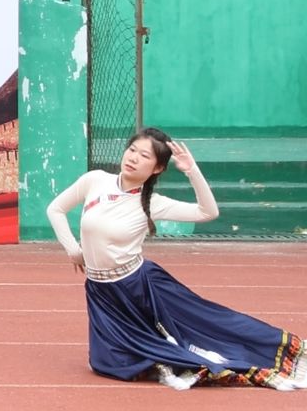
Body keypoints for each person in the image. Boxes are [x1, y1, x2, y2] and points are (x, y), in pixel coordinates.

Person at [47, 128, 303, 390]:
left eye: (144, 156)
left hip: (137, 289)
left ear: (157, 168)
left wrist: (192, 170)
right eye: (132, 150)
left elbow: (208, 212)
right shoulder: (95, 180)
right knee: (106, 363)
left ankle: (285, 351)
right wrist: (73, 251)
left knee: (210, 326)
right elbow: (55, 209)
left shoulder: (153, 203)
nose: (133, 158)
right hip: (100, 292)